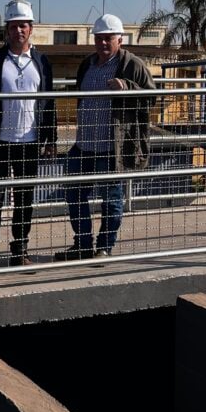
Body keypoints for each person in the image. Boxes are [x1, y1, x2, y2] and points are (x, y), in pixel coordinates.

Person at [56, 14, 156, 262]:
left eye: (108, 38)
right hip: (83, 145)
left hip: (111, 147)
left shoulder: (132, 65)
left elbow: (151, 98)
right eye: (98, 38)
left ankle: (104, 247)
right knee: (74, 195)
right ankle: (82, 245)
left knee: (111, 200)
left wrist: (128, 88)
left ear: (120, 39)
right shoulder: (87, 64)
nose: (102, 43)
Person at [0, 0, 56, 270]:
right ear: (6, 30)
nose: (18, 30)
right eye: (13, 26)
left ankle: (20, 249)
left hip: (30, 142)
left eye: (23, 25)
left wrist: (51, 139)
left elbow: (49, 101)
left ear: (31, 28)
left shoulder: (41, 62)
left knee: (24, 200)